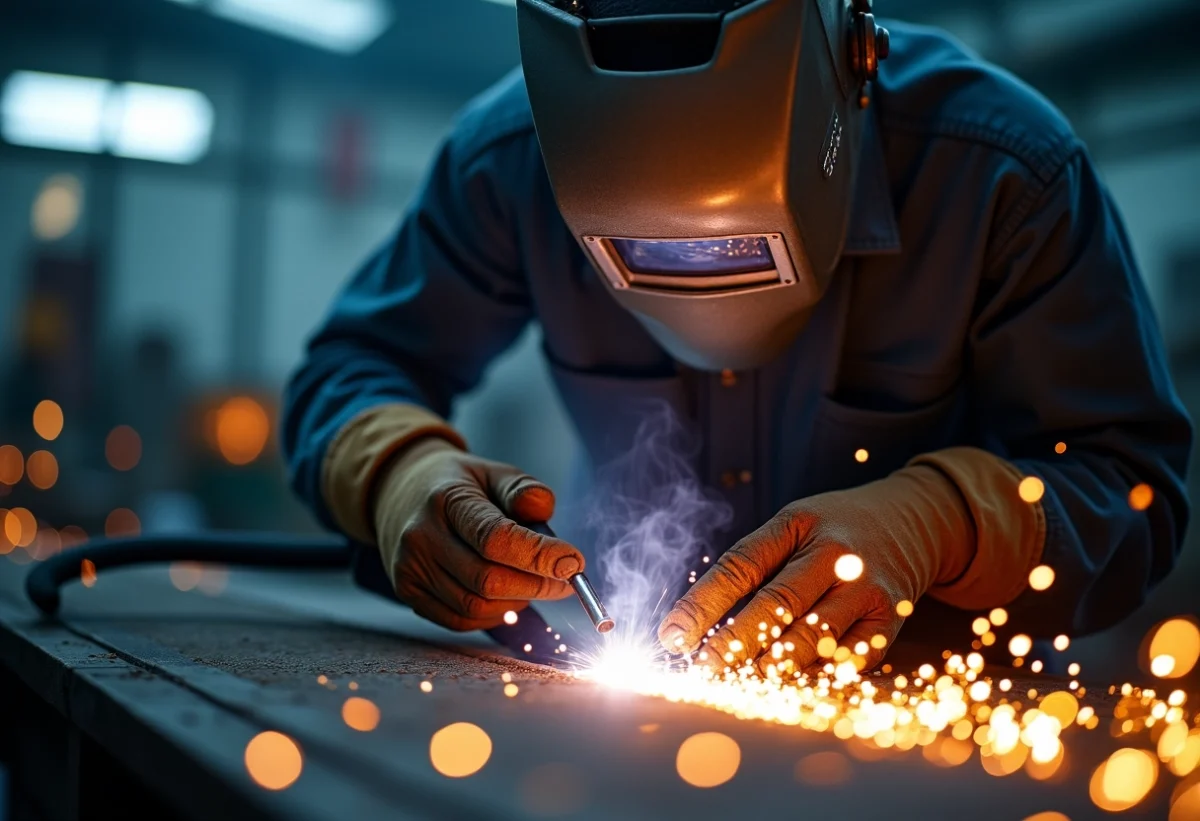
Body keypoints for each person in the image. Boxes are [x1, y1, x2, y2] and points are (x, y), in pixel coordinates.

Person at [282, 0, 1191, 671]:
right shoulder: (510, 159)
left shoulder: (1005, 176)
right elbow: (356, 365)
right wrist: (396, 472)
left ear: (849, 59)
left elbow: (1135, 488)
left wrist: (945, 522)